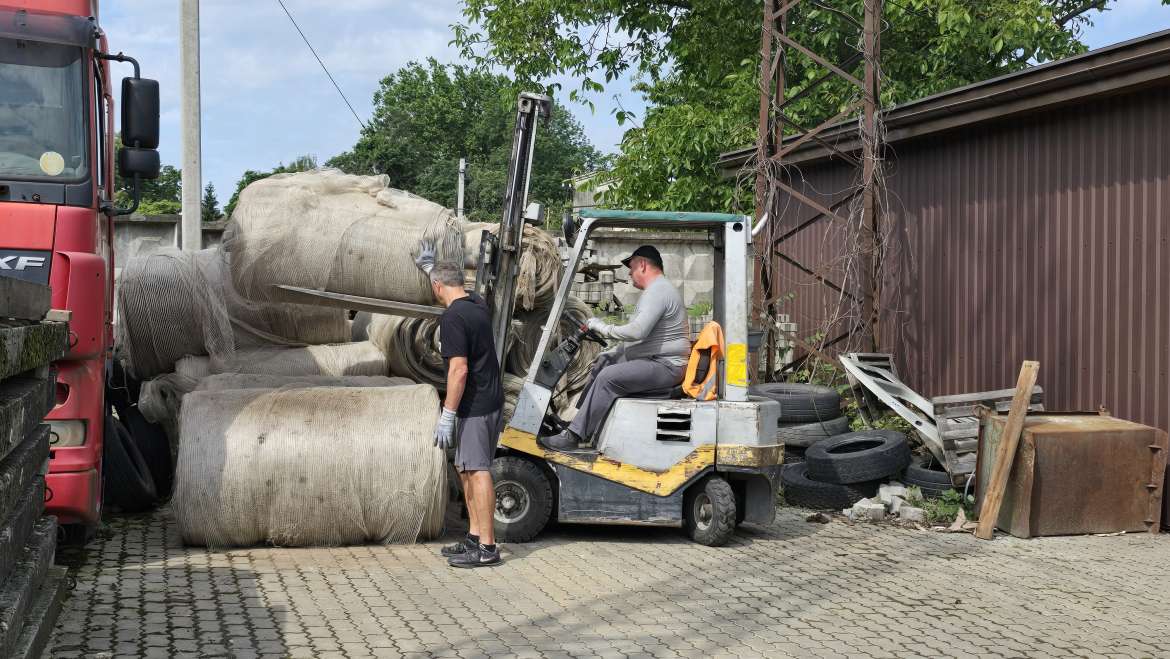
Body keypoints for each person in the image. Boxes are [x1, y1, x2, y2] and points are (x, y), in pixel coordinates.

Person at [541, 245, 691, 451]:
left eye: (631, 268)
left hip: (667, 366)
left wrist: (603, 328)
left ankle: (574, 436)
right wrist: (614, 351)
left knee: (608, 378)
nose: (629, 274)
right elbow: (641, 337)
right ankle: (576, 422)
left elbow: (637, 332)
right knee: (604, 361)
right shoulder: (657, 290)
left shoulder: (659, 291)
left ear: (642, 265)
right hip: (658, 361)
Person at [415, 243, 504, 568]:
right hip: (487, 401)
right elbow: (448, 283)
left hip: (476, 405)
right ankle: (474, 537)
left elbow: (459, 370)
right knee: (464, 467)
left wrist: (447, 414)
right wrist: (431, 269)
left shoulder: (452, 317)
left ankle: (488, 548)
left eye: (433, 285)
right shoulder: (476, 304)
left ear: (438, 287)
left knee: (478, 471)